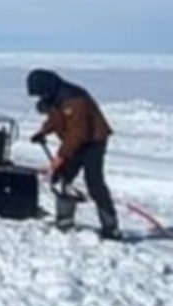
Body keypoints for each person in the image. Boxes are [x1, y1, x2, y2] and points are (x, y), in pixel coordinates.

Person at [26, 69, 120, 239]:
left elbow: (77, 133)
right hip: (77, 141)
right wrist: (43, 131)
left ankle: (111, 226)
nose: (41, 97)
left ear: (47, 87)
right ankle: (65, 220)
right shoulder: (55, 97)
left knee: (95, 183)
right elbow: (57, 118)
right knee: (62, 177)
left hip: (93, 142)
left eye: (41, 94)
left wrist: (61, 157)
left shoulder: (74, 100)